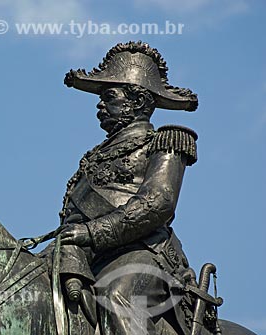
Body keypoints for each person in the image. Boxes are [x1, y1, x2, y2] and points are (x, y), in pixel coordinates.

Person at [57, 41, 204, 334]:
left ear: (138, 102)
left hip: (144, 253)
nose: (100, 104)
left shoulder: (166, 143)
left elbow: (157, 203)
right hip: (88, 257)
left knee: (117, 298)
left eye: (109, 96)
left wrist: (90, 233)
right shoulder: (91, 159)